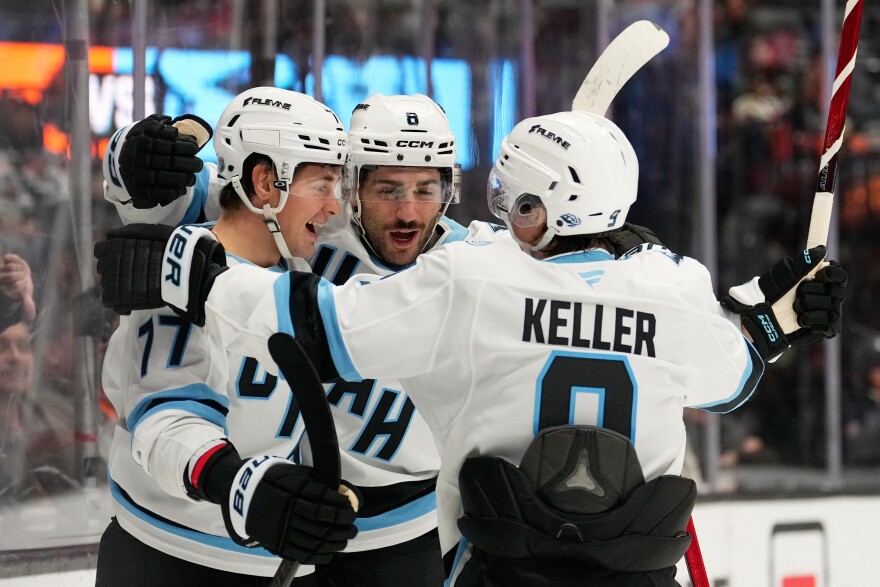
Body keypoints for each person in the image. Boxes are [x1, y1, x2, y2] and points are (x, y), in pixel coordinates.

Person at [95, 110, 846, 585]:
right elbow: (734, 368)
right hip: (638, 570)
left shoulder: (472, 278)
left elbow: (320, 330)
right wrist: (769, 313)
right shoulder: (674, 285)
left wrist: (200, 278)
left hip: (503, 566)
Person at [95, 87, 359, 587]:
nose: (333, 207)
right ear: (265, 182)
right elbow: (166, 420)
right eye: (322, 183)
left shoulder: (295, 270)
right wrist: (236, 482)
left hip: (266, 559)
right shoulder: (181, 278)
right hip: (170, 559)